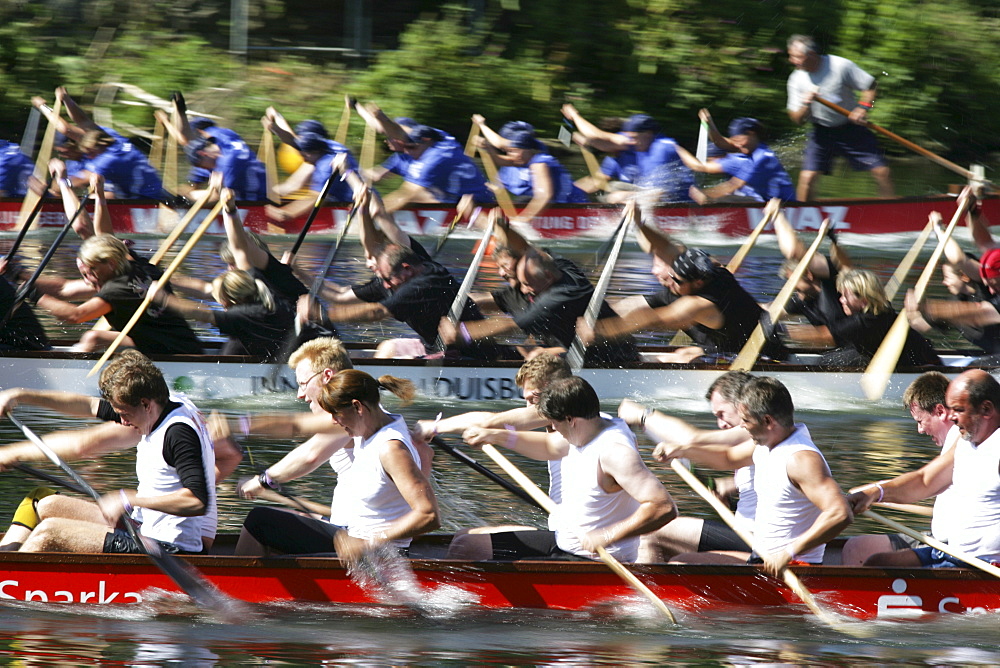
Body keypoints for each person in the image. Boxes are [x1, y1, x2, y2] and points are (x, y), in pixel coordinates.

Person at [0, 350, 216, 554]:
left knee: (50, 532)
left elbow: (196, 501)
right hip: (142, 525)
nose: (122, 421)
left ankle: (9, 584)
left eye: (124, 414)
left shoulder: (177, 434)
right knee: (44, 503)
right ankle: (7, 561)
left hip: (168, 546)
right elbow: (88, 406)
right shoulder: (164, 400)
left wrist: (131, 498)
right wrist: (21, 395)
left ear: (145, 404)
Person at [460, 376, 677, 562]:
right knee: (465, 544)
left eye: (555, 422)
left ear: (571, 420)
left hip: (595, 560)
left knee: (466, 551)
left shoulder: (614, 452)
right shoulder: (591, 426)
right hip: (564, 543)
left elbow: (663, 507)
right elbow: (549, 446)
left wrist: (607, 535)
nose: (553, 428)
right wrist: (496, 436)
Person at [656, 376, 852, 576]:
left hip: (792, 568)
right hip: (761, 559)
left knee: (680, 568)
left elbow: (840, 514)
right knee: (683, 562)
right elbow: (728, 458)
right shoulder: (765, 445)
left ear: (767, 421)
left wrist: (788, 552)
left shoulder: (800, 459)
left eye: (746, 420)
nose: (741, 426)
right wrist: (682, 450)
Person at [238, 369, 440, 564]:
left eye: (336, 414)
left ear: (358, 407)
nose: (333, 421)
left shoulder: (391, 449)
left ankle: (236, 589)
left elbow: (429, 515)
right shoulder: (370, 427)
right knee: (282, 520)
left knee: (259, 520)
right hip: (350, 539)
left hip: (377, 555)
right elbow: (295, 425)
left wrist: (370, 542)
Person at [413, 354, 574, 553]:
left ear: (555, 391)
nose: (530, 408)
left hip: (581, 543)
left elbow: (489, 421)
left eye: (535, 398)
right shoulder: (560, 426)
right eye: (527, 400)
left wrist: (435, 426)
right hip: (563, 531)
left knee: (466, 546)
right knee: (463, 535)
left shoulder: (572, 421)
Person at [848, 369, 1000, 568]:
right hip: (950, 553)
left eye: (959, 410)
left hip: (983, 565)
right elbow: (925, 480)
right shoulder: (964, 443)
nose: (952, 417)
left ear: (986, 410)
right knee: (877, 564)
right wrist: (875, 492)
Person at [583, 219, 788, 364]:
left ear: (698, 283)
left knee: (680, 357)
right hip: (727, 345)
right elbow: (666, 247)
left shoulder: (700, 305)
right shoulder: (713, 269)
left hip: (760, 356)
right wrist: (639, 222)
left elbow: (653, 319)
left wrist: (600, 331)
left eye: (677, 281)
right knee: (635, 308)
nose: (669, 282)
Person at [618, 372, 755, 562]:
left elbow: (693, 439)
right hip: (748, 536)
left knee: (655, 532)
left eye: (722, 414)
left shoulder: (757, 431)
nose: (720, 424)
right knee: (672, 554)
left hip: (763, 544)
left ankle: (651, 589)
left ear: (743, 406)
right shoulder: (761, 441)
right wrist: (732, 486)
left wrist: (644, 415)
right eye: (716, 416)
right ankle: (657, 588)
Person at [441, 243, 639, 366]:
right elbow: (488, 300)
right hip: (573, 350)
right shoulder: (530, 284)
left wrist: (463, 333)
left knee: (535, 354)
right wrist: (447, 299)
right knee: (519, 350)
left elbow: (511, 324)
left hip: (608, 358)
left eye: (505, 266)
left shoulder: (554, 296)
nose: (501, 273)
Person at [840, 372, 959, 565]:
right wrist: (873, 492)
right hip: (938, 539)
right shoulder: (956, 440)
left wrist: (875, 492)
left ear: (939, 411)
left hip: (952, 548)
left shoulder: (964, 439)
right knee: (857, 547)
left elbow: (923, 481)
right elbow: (925, 483)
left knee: (876, 563)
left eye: (920, 421)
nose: (920, 430)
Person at [322, 242, 507, 360]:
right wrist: (366, 210)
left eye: (388, 279)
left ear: (407, 269)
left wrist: (323, 314)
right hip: (435, 347)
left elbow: (376, 313)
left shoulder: (423, 284)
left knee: (390, 356)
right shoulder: (417, 267)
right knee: (388, 347)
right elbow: (381, 234)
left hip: (469, 355)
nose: (385, 286)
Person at [29, 233, 203, 354]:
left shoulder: (117, 289)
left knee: (93, 336)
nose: (88, 278)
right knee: (94, 337)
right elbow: (106, 238)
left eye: (92, 270)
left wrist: (33, 295)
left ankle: (69, 374)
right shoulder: (140, 266)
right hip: (177, 342)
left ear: (111, 263)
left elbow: (76, 315)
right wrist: (20, 276)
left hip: (172, 351)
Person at [786, 34, 894, 200]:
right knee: (807, 178)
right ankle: (802, 218)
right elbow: (796, 119)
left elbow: (871, 86)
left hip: (851, 128)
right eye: (791, 56)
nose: (792, 61)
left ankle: (891, 214)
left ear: (812, 55)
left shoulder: (840, 66)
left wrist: (864, 108)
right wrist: (806, 104)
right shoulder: (795, 80)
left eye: (797, 57)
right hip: (822, 132)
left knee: (881, 171)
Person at [785, 268, 939, 368]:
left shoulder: (866, 322)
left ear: (864, 299)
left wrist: (782, 331)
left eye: (846, 296)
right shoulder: (879, 311)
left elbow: (823, 335)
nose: (841, 300)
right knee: (830, 359)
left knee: (829, 362)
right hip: (909, 359)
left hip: (924, 365)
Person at [560, 104, 692, 203]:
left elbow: (596, 137)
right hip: (649, 194)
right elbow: (596, 182)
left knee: (615, 192)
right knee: (610, 189)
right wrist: (567, 192)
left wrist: (575, 116)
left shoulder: (632, 142)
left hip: (670, 199)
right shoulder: (614, 158)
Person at [475, 118, 588, 222]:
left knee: (525, 201)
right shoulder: (523, 156)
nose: (510, 156)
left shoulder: (540, 163)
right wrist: (487, 148)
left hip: (571, 208)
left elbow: (544, 197)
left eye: (513, 151)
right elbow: (499, 159)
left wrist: (520, 221)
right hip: (552, 205)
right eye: (508, 151)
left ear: (525, 149)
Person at [369, 124, 494, 212]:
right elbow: (376, 175)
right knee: (422, 194)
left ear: (427, 141)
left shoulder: (433, 159)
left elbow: (406, 194)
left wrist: (372, 213)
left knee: (415, 195)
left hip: (473, 202)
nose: (408, 152)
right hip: (453, 197)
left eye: (412, 147)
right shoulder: (440, 139)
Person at [675, 113, 796, 203]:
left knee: (727, 198)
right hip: (765, 202)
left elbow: (734, 185)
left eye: (739, 140)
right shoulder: (750, 148)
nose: (738, 145)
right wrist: (710, 124)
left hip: (783, 204)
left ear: (751, 134)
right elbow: (720, 142)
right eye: (735, 141)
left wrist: (705, 195)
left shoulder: (762, 157)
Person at [264, 129, 360, 226]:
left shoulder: (325, 167)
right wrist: (274, 126)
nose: (303, 159)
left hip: (353, 210)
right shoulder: (327, 145)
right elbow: (291, 140)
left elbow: (316, 197)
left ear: (315, 151)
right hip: (349, 203)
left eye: (305, 155)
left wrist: (289, 213)